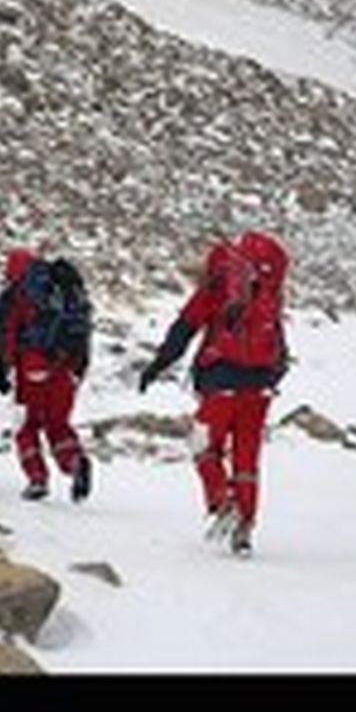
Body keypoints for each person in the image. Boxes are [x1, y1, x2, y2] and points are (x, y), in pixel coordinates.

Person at [138, 231, 289, 556]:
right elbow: (279, 343)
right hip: (260, 388)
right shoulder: (269, 291)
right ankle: (244, 529)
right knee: (247, 458)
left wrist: (157, 365)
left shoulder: (218, 287)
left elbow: (184, 330)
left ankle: (223, 503)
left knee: (204, 445)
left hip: (221, 383)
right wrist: (270, 377)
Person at [0, 248, 92, 503]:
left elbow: (5, 335)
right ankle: (74, 462)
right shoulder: (63, 290)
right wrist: (79, 366)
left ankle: (37, 479)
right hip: (65, 368)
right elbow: (83, 331)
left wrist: (3, 369)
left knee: (27, 426)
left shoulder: (15, 295)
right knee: (58, 423)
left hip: (32, 368)